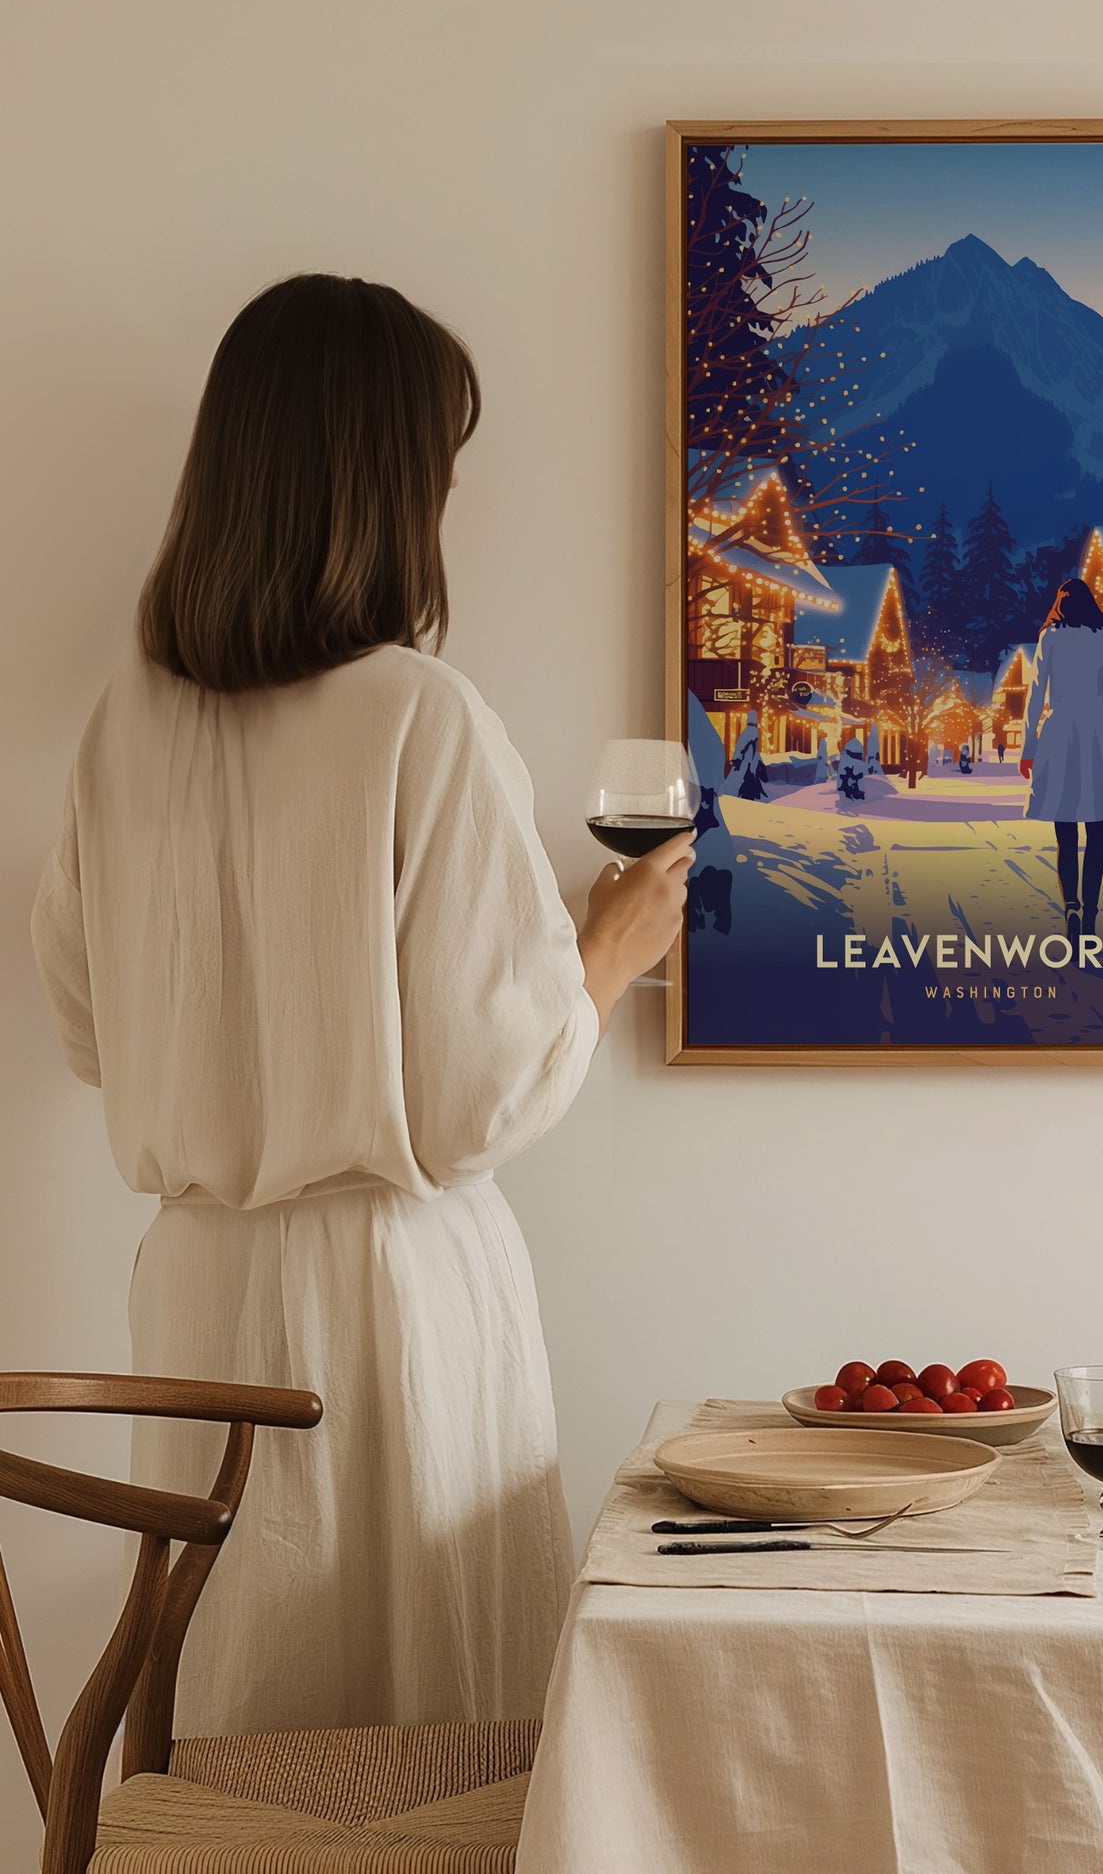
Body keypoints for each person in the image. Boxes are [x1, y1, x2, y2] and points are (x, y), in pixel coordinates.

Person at [30, 274, 691, 1736]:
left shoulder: (122, 726)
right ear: (386, 485)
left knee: (241, 1722)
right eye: (437, 474)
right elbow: (475, 1099)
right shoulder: (418, 714)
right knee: (425, 1740)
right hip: (392, 1301)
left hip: (196, 1291)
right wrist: (607, 949)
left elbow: (87, 1028)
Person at [1017, 576, 1103, 939]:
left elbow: (1035, 694)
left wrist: (1029, 747)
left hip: (1059, 733)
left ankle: (1069, 904)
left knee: (1066, 831)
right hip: (1096, 734)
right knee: (1097, 831)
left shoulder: (1049, 639)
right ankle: (1090, 913)